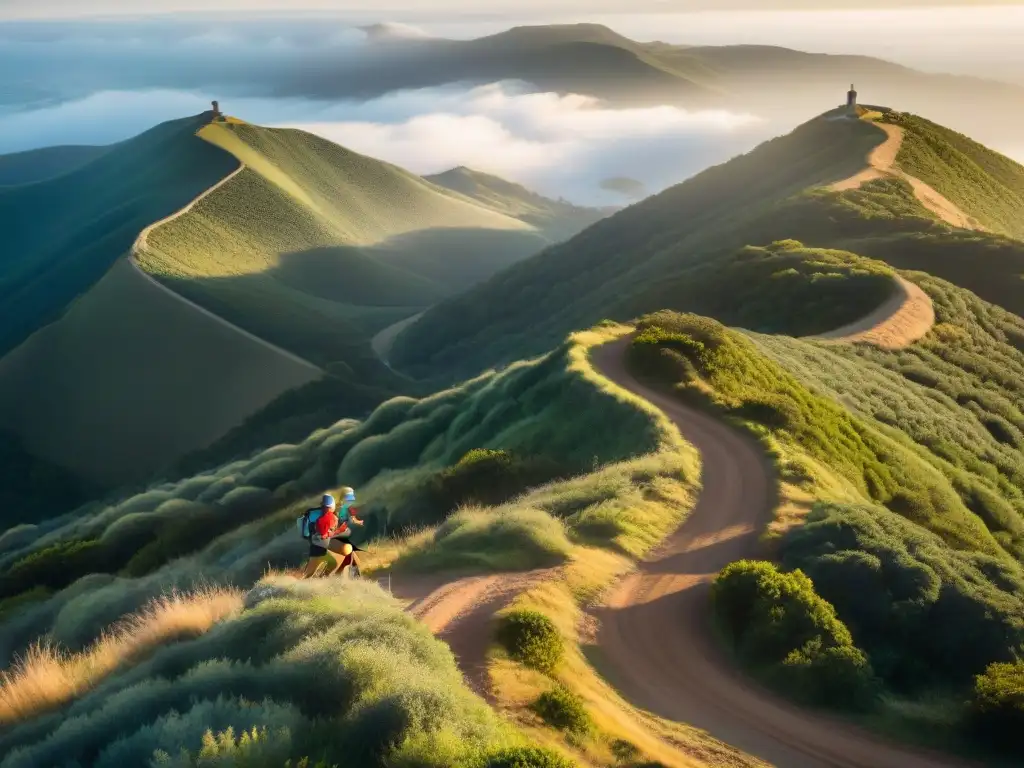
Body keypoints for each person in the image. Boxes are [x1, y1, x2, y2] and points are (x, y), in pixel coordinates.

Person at [324, 487, 365, 576]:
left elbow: (350, 518)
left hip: (339, 537)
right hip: (331, 538)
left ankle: (342, 578)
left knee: (353, 561)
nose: (349, 502)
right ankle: (329, 578)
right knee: (349, 559)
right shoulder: (333, 509)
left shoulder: (344, 508)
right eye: (348, 499)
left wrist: (357, 521)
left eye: (350, 500)